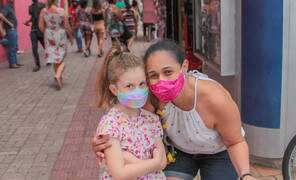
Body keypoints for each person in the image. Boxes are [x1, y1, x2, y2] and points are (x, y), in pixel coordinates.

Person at [92, 40, 257, 180]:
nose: (161, 80)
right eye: (153, 75)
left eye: (168, 72)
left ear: (184, 66)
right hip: (179, 153)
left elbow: (235, 141)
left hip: (217, 154)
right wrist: (102, 146)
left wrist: (245, 175)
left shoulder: (215, 99)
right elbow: (128, 125)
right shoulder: (149, 95)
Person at [95, 46, 167, 179]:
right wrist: (154, 163)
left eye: (142, 84)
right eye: (129, 86)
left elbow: (163, 162)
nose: (137, 91)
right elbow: (119, 174)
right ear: (114, 90)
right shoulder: (110, 124)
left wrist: (127, 158)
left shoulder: (151, 119)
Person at [39, 0, 73, 90]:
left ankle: (59, 80)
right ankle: (58, 75)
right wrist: (71, 37)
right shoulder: (61, 11)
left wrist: (47, 33)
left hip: (48, 34)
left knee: (54, 58)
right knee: (61, 58)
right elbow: (66, 26)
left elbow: (41, 26)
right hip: (60, 34)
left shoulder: (43, 11)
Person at [24, 0, 46, 72]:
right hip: (34, 30)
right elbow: (33, 17)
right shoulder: (30, 7)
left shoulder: (42, 5)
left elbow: (44, 16)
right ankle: (37, 65)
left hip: (41, 29)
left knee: (45, 46)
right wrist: (28, 21)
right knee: (34, 48)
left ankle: (50, 59)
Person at [0, 0, 23, 69]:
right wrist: (9, 23)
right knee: (12, 47)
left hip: (13, 29)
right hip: (10, 30)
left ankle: (15, 62)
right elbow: (1, 15)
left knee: (14, 47)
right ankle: (12, 64)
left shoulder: (10, 7)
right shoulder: (7, 7)